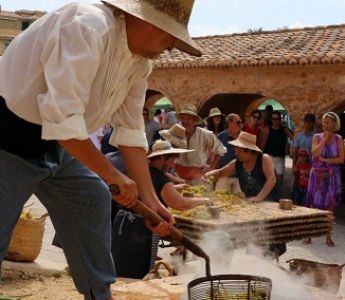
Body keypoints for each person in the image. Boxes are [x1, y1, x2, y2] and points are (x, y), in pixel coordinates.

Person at [0, 0, 201, 299]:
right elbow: (63, 118)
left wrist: (150, 199)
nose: (170, 46)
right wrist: (111, 173)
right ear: (147, 21)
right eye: (170, 36)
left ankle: (98, 293)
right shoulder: (87, 26)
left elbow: (131, 131)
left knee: (92, 197)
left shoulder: (140, 63)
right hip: (7, 137)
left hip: (56, 143)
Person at [107, 140, 212, 279]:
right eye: (172, 159)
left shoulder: (140, 172)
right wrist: (204, 201)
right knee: (140, 274)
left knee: (121, 270)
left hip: (122, 222)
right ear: (163, 158)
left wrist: (173, 188)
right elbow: (178, 203)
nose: (173, 164)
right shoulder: (159, 176)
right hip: (140, 228)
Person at [204, 132, 286, 259]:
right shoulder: (237, 163)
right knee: (254, 244)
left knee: (270, 246)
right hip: (252, 208)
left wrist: (259, 197)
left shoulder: (264, 159)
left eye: (238, 150)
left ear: (248, 151)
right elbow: (221, 172)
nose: (236, 152)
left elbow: (272, 179)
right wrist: (207, 176)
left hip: (271, 207)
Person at [306, 112, 345, 247]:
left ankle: (328, 236)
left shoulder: (339, 139)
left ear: (335, 124)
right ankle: (309, 235)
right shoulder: (317, 137)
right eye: (324, 122)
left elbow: (341, 159)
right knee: (312, 206)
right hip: (317, 176)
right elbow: (315, 153)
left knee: (330, 206)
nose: (325, 124)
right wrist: (324, 139)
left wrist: (325, 160)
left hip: (332, 176)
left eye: (328, 122)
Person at [175, 104, 226, 183]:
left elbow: (220, 150)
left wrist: (211, 167)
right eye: (183, 118)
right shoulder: (176, 133)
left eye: (188, 118)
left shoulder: (205, 134)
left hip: (199, 177)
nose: (185, 121)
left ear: (194, 120)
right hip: (179, 177)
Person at [260, 111, 294, 200]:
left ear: (280, 119)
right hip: (268, 157)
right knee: (267, 179)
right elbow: (263, 144)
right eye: (273, 119)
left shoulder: (284, 129)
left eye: (277, 119)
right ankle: (267, 197)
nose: (275, 121)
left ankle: (276, 198)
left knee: (278, 181)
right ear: (271, 120)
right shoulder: (268, 129)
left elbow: (293, 137)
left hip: (279, 158)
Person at [216, 113, 242, 193]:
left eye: (241, 122)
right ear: (230, 123)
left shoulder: (243, 136)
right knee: (220, 200)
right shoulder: (221, 137)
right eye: (238, 122)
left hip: (240, 177)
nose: (240, 124)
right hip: (223, 175)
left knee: (240, 202)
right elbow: (216, 155)